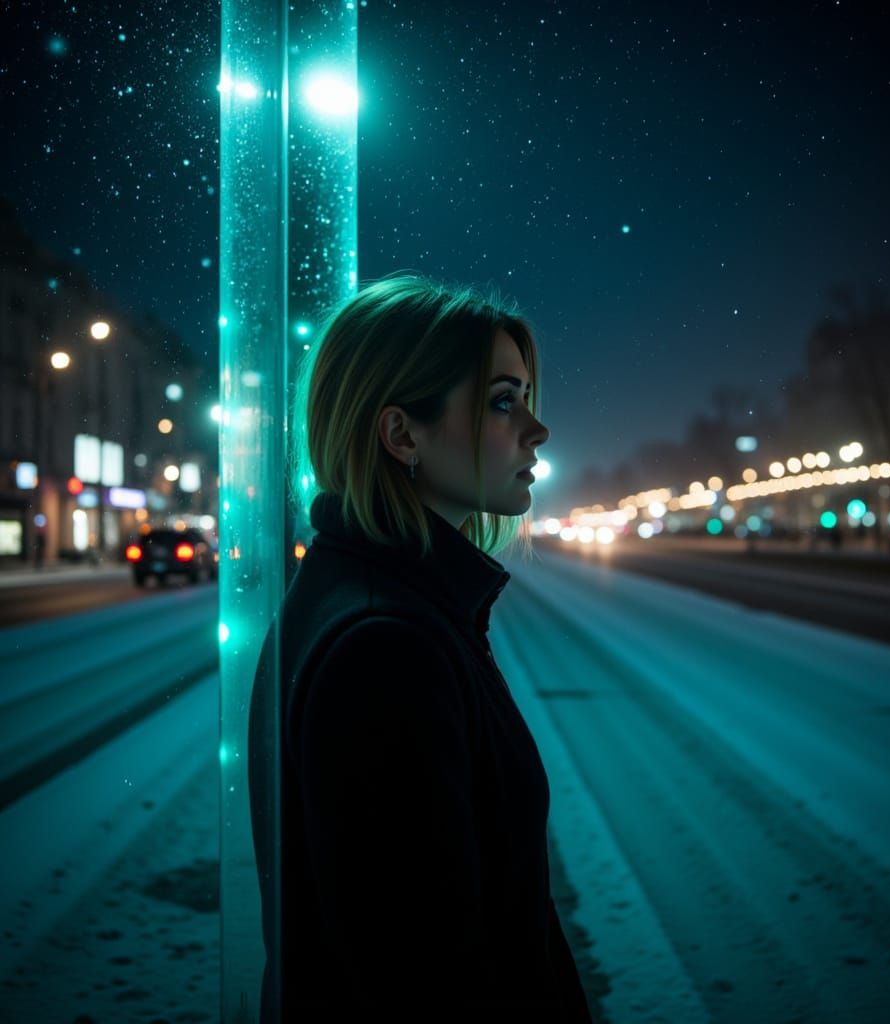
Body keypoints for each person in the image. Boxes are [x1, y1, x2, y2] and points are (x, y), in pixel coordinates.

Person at [248, 273, 592, 1022]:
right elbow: (427, 985)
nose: (538, 430)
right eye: (504, 401)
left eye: (527, 399)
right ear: (402, 433)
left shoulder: (376, 601)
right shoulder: (386, 647)